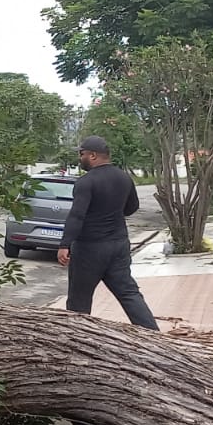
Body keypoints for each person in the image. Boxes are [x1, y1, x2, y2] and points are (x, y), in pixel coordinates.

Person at [58, 136, 158, 331]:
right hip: (118, 245)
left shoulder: (85, 182)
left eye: (82, 154)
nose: (80, 158)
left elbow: (77, 216)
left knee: (79, 302)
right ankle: (155, 336)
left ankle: (77, 340)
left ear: (93, 155)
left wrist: (64, 245)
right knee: (129, 294)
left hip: (89, 249)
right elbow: (132, 207)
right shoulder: (124, 177)